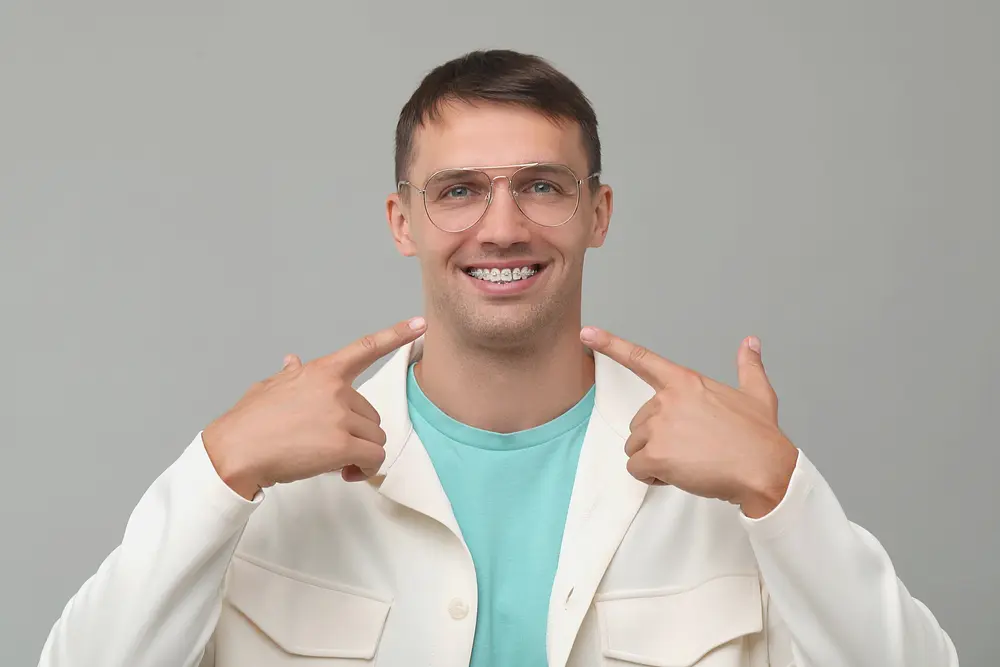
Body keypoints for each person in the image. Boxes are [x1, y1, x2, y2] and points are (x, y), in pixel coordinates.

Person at [37, 49, 959, 667]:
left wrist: (780, 487)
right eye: (460, 190)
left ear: (599, 213)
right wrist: (218, 468)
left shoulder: (722, 472)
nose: (503, 225)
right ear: (403, 221)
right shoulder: (283, 474)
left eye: (543, 186)